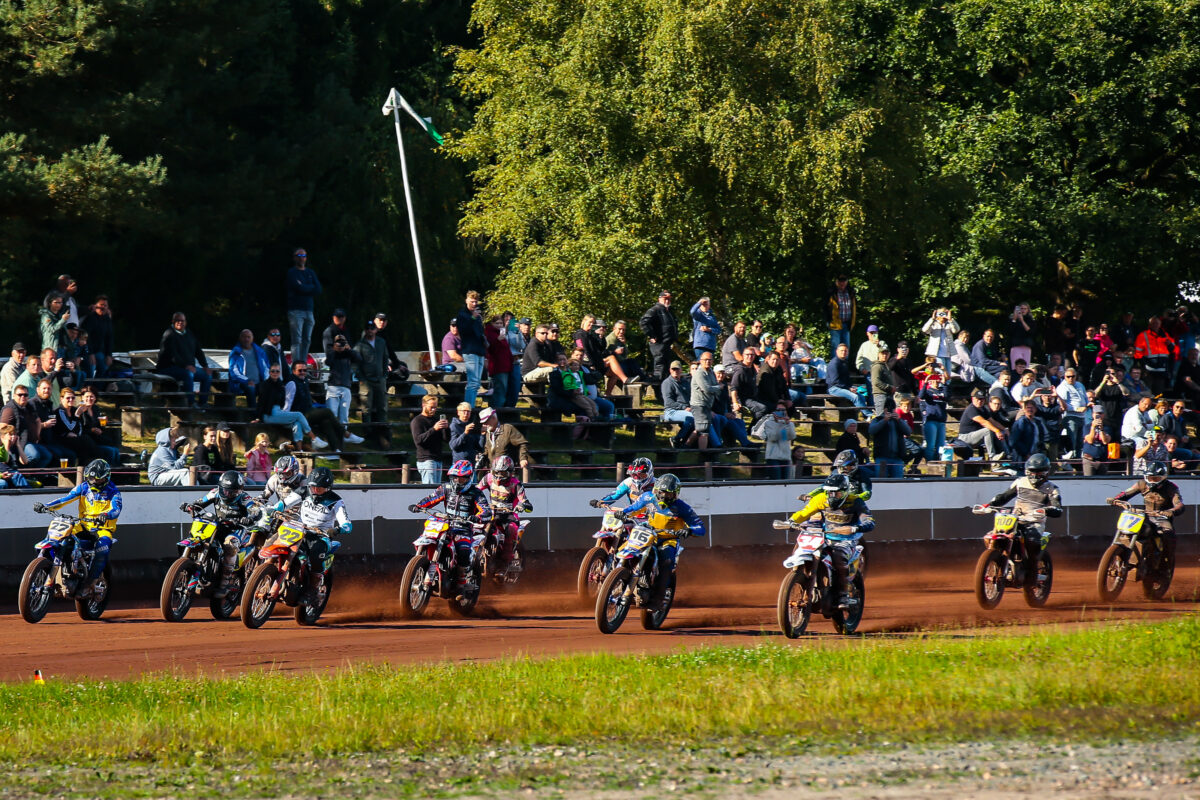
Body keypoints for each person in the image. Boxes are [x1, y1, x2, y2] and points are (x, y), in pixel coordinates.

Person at [614, 474, 706, 609]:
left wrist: (689, 530)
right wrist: (624, 513)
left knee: (666, 562)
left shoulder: (682, 507)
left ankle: (658, 598)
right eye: (661, 492)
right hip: (649, 534)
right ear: (655, 490)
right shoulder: (647, 497)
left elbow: (700, 527)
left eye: (668, 494)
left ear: (675, 494)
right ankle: (617, 579)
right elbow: (634, 508)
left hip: (668, 540)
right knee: (625, 547)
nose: (663, 496)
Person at [33, 460, 121, 594]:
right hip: (82, 525)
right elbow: (65, 499)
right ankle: (48, 564)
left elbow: (116, 510)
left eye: (97, 478)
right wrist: (46, 506)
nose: (93, 481)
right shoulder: (83, 487)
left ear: (106, 477)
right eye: (90, 478)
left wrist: (105, 515)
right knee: (60, 533)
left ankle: (89, 583)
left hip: (103, 529)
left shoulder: (113, 492)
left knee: (103, 548)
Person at [787, 473, 873, 610]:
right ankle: (800, 577)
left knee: (839, 558)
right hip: (824, 536)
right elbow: (805, 513)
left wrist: (854, 528)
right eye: (829, 493)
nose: (832, 496)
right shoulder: (821, 499)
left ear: (845, 492)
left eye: (836, 493)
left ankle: (843, 594)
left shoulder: (855, 501)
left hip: (846, 540)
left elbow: (869, 521)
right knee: (800, 546)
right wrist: (791, 521)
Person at [408, 460, 492, 592]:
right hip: (445, 524)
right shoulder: (445, 488)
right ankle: (423, 564)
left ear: (468, 478)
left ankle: (461, 581)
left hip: (463, 528)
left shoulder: (476, 493)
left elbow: (487, 511)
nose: (457, 482)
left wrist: (478, 517)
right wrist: (419, 506)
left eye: (461, 479)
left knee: (463, 551)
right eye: (455, 478)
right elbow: (432, 498)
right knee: (427, 535)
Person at [980, 453, 1062, 578]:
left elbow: (1057, 508)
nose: (1035, 475)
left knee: (1031, 541)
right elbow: (1004, 496)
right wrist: (989, 505)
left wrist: (1047, 510)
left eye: (1039, 472)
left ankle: (1032, 573)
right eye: (1032, 472)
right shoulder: (1020, 482)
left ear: (1046, 472)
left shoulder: (1052, 489)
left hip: (1035, 522)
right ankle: (996, 559)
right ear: (1027, 471)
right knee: (989, 536)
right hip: (1015, 518)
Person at [180, 470, 258, 597]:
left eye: (232, 491)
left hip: (237, 529)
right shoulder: (215, 493)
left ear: (239, 490)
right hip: (218, 526)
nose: (227, 493)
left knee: (230, 545)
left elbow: (254, 509)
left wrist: (250, 517)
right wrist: (191, 506)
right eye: (225, 490)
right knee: (199, 535)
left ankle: (224, 583)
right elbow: (200, 502)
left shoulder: (244, 497)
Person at [275, 467, 351, 592]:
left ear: (327, 488)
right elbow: (284, 503)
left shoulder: (336, 501)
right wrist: (273, 509)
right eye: (312, 487)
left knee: (316, 554)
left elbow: (347, 524)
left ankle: (313, 589)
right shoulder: (303, 491)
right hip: (299, 530)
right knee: (277, 540)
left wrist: (337, 530)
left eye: (319, 489)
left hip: (321, 536)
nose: (315, 491)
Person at [1107, 462, 1184, 569]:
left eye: (1155, 478)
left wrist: (1172, 511)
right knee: (1128, 528)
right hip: (1144, 515)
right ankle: (1119, 555)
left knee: (1168, 534)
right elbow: (1125, 493)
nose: (1152, 480)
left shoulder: (1171, 487)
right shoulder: (1142, 484)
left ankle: (1166, 563)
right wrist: (1115, 500)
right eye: (1149, 477)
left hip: (1161, 517)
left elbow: (1178, 503)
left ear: (1163, 477)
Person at [475, 455, 532, 573]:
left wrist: (523, 505)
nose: (499, 476)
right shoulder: (488, 478)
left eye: (503, 473)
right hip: (491, 513)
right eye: (497, 472)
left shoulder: (516, 484)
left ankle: (505, 563)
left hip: (509, 515)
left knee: (510, 530)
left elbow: (526, 502)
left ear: (510, 473)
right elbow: (476, 490)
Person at [255, 364, 322, 451]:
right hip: (269, 414)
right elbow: (261, 403)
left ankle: (299, 450)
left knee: (297, 424)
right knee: (298, 415)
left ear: (280, 373)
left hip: (278, 411)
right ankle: (314, 438)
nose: (275, 373)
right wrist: (258, 417)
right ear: (269, 372)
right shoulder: (264, 385)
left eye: (277, 371)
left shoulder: (281, 385)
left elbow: (284, 402)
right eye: (273, 371)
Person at [157, 312, 212, 408]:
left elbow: (198, 351)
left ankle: (203, 403)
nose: (180, 322)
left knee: (207, 375)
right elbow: (172, 355)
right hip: (169, 368)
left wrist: (205, 366)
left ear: (185, 322)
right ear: (173, 321)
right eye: (177, 320)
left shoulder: (189, 334)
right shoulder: (169, 335)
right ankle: (191, 402)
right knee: (188, 375)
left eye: (182, 320)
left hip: (186, 368)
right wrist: (186, 366)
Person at [286, 361, 342, 453]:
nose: (303, 372)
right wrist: (287, 417)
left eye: (305, 370)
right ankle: (346, 434)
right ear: (293, 371)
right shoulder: (292, 382)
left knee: (326, 422)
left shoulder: (304, 380)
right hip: (300, 415)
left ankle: (335, 450)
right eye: (300, 370)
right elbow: (288, 402)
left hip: (309, 411)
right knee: (327, 412)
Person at [323, 325, 364, 445]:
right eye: (338, 342)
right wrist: (336, 350)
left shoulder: (348, 354)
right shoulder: (332, 354)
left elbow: (359, 358)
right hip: (333, 388)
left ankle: (342, 437)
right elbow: (328, 361)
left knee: (344, 416)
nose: (340, 344)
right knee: (332, 414)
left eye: (342, 342)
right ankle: (331, 438)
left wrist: (349, 349)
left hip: (346, 388)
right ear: (334, 344)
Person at [954, 389, 1012, 471]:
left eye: (982, 399)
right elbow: (984, 422)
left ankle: (1006, 455)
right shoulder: (971, 409)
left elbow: (992, 421)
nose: (980, 401)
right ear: (973, 399)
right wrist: (997, 431)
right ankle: (992, 458)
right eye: (978, 399)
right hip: (965, 438)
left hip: (976, 436)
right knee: (988, 430)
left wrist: (1004, 429)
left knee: (999, 431)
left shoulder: (983, 409)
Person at [285, 247, 323, 367]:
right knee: (297, 339)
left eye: (304, 256)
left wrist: (305, 287)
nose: (302, 258)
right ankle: (297, 364)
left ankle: (303, 363)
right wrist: (308, 288)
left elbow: (318, 289)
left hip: (309, 310)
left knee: (307, 339)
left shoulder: (310, 272)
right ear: (294, 257)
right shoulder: (292, 272)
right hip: (296, 310)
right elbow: (298, 287)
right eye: (299, 256)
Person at [0, 383, 51, 467]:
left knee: (47, 456)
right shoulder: (9, 410)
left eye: (25, 395)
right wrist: (9, 441)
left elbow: (37, 420)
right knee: (34, 455)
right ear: (14, 396)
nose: (23, 397)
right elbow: (2, 427)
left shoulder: (29, 407)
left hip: (31, 441)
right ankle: (23, 471)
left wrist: (37, 435)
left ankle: (36, 476)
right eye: (20, 395)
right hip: (19, 442)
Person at [353, 321, 390, 434]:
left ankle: (382, 429)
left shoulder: (381, 342)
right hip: (366, 381)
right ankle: (367, 430)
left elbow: (385, 358)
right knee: (366, 407)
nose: (370, 330)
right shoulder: (360, 344)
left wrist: (384, 375)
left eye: (372, 328)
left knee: (382, 406)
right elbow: (355, 363)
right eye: (368, 328)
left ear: (375, 329)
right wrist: (361, 378)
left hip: (380, 379)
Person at [639, 290, 679, 390]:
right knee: (660, 367)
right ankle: (658, 391)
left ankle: (664, 390)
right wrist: (651, 335)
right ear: (660, 298)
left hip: (667, 343)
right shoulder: (655, 309)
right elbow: (643, 322)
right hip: (659, 343)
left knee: (666, 367)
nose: (667, 300)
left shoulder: (669, 311)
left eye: (669, 298)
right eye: (665, 298)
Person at [455, 291, 489, 408]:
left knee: (477, 383)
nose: (474, 304)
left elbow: (479, 332)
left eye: (476, 301)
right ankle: (468, 407)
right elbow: (463, 331)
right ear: (466, 300)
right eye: (472, 301)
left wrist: (484, 340)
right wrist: (472, 318)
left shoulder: (477, 315)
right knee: (473, 382)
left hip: (479, 350)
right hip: (470, 351)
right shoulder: (462, 315)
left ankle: (471, 405)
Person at [74, 387, 120, 466]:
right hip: (87, 442)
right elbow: (78, 429)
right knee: (111, 451)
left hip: (97, 439)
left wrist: (103, 423)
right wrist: (91, 430)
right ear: (82, 397)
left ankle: (117, 471)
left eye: (92, 396)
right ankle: (108, 471)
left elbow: (100, 428)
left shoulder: (95, 409)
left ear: (95, 398)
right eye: (87, 396)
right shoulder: (79, 410)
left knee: (115, 450)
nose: (89, 399)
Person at [411, 395, 451, 484]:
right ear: (423, 405)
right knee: (430, 490)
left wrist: (446, 428)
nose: (433, 410)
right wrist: (434, 429)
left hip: (438, 459)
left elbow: (446, 439)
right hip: (426, 459)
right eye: (431, 407)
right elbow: (418, 440)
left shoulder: (436, 420)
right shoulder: (417, 421)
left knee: (436, 490)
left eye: (435, 407)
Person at [711, 365, 753, 447]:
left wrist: (730, 412)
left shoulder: (724, 384)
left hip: (724, 413)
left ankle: (745, 442)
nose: (721, 375)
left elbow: (726, 401)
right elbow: (713, 404)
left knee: (740, 422)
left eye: (723, 373)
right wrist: (724, 413)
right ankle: (746, 443)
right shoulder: (711, 385)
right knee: (730, 422)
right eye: (719, 373)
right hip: (715, 413)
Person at [1133, 315, 1177, 394]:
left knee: (1158, 393)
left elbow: (1174, 350)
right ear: (1149, 325)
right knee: (1146, 392)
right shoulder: (1143, 335)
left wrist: (1169, 344)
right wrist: (1142, 367)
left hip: (1162, 369)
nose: (1155, 325)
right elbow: (1137, 353)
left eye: (1157, 323)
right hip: (1148, 369)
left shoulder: (1166, 335)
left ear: (1160, 324)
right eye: (1153, 323)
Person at [479, 406, 531, 471]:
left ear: (494, 418)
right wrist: (482, 456)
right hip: (493, 471)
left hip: (509, 471)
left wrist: (523, 458)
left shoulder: (508, 429)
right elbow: (488, 450)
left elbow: (523, 443)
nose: (484, 424)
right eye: (483, 423)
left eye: (486, 421)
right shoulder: (488, 433)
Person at [590, 458, 655, 509]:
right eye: (634, 475)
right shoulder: (628, 482)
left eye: (641, 475)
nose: (637, 478)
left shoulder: (658, 484)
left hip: (653, 516)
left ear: (650, 473)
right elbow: (614, 495)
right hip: (634, 515)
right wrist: (600, 502)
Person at [753, 402, 795, 480]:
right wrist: (778, 423)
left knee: (786, 482)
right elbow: (772, 437)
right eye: (778, 410)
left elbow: (792, 436)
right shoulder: (768, 423)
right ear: (774, 411)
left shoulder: (789, 424)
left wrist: (787, 424)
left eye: (783, 410)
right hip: (773, 457)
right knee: (776, 481)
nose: (781, 411)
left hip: (786, 457)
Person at [227, 329, 269, 407]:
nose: (246, 339)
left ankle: (266, 413)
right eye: (244, 337)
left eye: (248, 337)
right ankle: (253, 413)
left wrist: (267, 381)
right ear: (240, 338)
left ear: (252, 338)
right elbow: (234, 372)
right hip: (241, 384)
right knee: (250, 388)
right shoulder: (236, 352)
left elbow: (266, 368)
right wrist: (247, 381)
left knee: (269, 387)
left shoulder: (259, 351)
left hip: (259, 383)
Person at [687, 353, 719, 450]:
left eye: (709, 359)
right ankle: (703, 454)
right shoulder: (699, 373)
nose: (707, 361)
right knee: (704, 431)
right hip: (699, 405)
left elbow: (713, 386)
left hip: (707, 404)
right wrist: (715, 388)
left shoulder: (711, 373)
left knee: (700, 428)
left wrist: (713, 388)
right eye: (705, 359)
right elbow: (707, 388)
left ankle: (684, 446)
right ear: (701, 361)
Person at [1055, 367, 1088, 459]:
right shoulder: (1062, 387)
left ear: (1076, 376)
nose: (1070, 378)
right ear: (1064, 377)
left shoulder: (1080, 385)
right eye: (1068, 376)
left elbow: (1085, 398)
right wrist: (1076, 409)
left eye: (1072, 376)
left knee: (1080, 443)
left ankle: (1078, 461)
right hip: (1070, 417)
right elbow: (1061, 404)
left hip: (1082, 417)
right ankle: (1072, 461)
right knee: (1072, 443)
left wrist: (1087, 404)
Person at [660, 360, 694, 448]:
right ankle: (677, 439)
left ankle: (688, 442)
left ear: (681, 370)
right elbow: (668, 402)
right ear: (670, 370)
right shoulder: (667, 383)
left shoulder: (685, 382)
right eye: (673, 369)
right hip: (671, 411)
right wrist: (684, 407)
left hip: (687, 409)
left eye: (677, 369)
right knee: (691, 418)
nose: (675, 371)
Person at [868, 409, 910, 479]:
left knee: (898, 482)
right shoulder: (877, 419)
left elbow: (908, 432)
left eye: (892, 409)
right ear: (884, 410)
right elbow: (871, 430)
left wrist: (899, 420)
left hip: (897, 458)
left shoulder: (898, 420)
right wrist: (884, 420)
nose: (890, 412)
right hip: (881, 458)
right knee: (881, 481)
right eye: (888, 409)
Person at [918, 371, 948, 467]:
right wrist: (926, 383)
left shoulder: (942, 390)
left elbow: (947, 397)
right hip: (931, 421)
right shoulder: (928, 391)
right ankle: (930, 465)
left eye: (937, 378)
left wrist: (944, 383)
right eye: (933, 379)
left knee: (940, 445)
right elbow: (921, 396)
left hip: (941, 421)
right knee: (930, 445)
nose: (935, 381)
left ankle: (939, 465)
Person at [825, 342, 866, 414]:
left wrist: (851, 387)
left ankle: (864, 414)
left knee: (861, 396)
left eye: (845, 351)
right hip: (834, 389)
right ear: (837, 351)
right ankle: (868, 415)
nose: (843, 352)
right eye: (842, 351)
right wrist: (849, 388)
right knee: (855, 397)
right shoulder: (834, 363)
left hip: (843, 387)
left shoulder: (844, 363)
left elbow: (847, 379)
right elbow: (835, 382)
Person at [485, 315, 513, 407]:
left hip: (505, 366)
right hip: (497, 367)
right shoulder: (490, 333)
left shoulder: (501, 333)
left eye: (501, 323)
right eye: (497, 323)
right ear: (492, 323)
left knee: (503, 390)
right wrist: (497, 340)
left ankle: (499, 411)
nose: (499, 325)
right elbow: (490, 349)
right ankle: (496, 412)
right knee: (499, 390)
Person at [823, 275, 857, 352]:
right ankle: (835, 364)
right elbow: (825, 307)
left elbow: (853, 308)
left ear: (847, 282)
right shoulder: (832, 292)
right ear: (836, 282)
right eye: (840, 281)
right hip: (835, 324)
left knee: (846, 348)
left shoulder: (850, 292)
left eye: (844, 281)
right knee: (835, 347)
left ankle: (844, 364)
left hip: (847, 324)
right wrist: (828, 320)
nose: (842, 283)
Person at [921, 308, 960, 374]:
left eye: (944, 314)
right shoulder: (933, 324)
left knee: (948, 373)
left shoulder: (949, 323)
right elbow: (924, 330)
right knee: (940, 372)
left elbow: (956, 330)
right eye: (940, 314)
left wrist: (950, 319)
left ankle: (946, 384)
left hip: (948, 353)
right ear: (937, 315)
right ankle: (940, 384)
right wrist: (932, 319)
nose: (942, 316)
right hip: (937, 353)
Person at [505, 317, 531, 407]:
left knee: (515, 388)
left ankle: (511, 407)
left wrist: (518, 333)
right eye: (524, 325)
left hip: (518, 363)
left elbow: (522, 347)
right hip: (507, 363)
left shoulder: (528, 338)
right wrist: (506, 329)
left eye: (528, 325)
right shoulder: (507, 334)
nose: (526, 327)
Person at [449, 402, 483, 467]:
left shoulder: (472, 426)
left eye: (468, 411)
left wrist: (483, 435)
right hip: (459, 464)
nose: (466, 413)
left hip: (471, 463)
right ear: (458, 412)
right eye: (464, 411)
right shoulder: (454, 426)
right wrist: (465, 433)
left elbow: (479, 448)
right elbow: (453, 446)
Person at [1080, 410, 1112, 476]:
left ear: (1104, 415)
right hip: (1089, 459)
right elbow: (1090, 440)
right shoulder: (1087, 427)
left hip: (1102, 460)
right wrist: (1093, 427)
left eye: (1100, 413)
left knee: (1102, 483)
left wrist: (1101, 429)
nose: (1098, 415)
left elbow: (1105, 441)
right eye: (1096, 413)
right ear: (1092, 414)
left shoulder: (1107, 427)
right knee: (1089, 482)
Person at [1007, 302, 1037, 368]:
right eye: (1021, 309)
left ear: (1028, 310)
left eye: (1025, 309)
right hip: (1016, 346)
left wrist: (1022, 321)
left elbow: (1031, 332)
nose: (1023, 310)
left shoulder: (1031, 320)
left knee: (1025, 367)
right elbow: (1010, 331)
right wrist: (1014, 319)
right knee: (1016, 367)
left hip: (1027, 346)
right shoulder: (1013, 320)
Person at [868, 344, 895, 418]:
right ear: (879, 354)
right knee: (882, 418)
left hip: (887, 395)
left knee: (889, 418)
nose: (884, 355)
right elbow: (876, 381)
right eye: (883, 353)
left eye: (886, 353)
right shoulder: (877, 366)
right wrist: (889, 387)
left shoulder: (885, 366)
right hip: (880, 395)